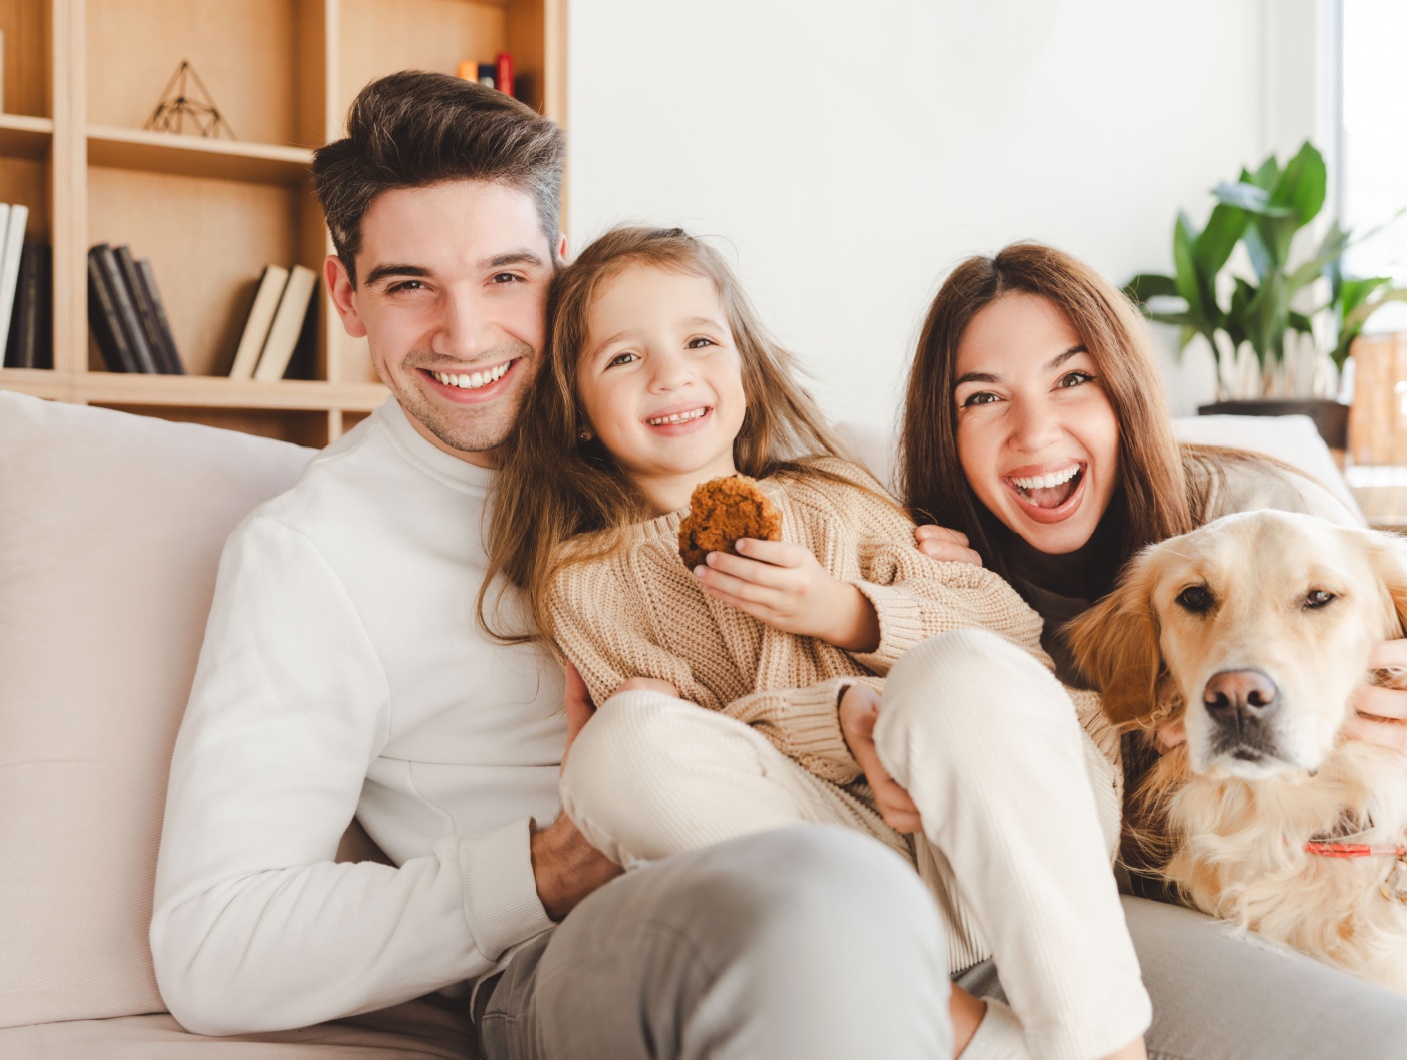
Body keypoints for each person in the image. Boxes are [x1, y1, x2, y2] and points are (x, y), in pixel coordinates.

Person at [149, 72, 956, 1060]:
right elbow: (215, 944)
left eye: (505, 276)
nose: (466, 332)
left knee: (1200, 991)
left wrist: (912, 578)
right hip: (585, 940)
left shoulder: (685, 425)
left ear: (560, 275)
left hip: (865, 828)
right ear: (347, 296)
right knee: (833, 899)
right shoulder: (311, 553)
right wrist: (547, 867)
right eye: (410, 285)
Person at [481, 225, 1152, 1060]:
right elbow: (693, 764)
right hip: (846, 887)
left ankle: (1102, 1045)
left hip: (1008, 832)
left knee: (959, 673)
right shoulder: (589, 583)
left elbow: (1008, 636)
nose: (671, 373)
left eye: (699, 341)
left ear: (747, 378)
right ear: (576, 411)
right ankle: (971, 1029)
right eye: (623, 358)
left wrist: (849, 613)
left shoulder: (834, 495)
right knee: (619, 748)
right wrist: (841, 718)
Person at [897, 241, 1407, 1058]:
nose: (1034, 430)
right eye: (982, 397)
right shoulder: (931, 582)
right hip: (1274, 815)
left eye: (1072, 378)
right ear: (946, 426)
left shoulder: (1253, 504)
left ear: (1122, 391)